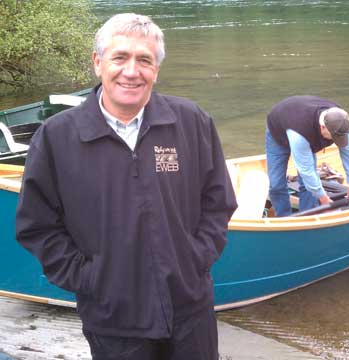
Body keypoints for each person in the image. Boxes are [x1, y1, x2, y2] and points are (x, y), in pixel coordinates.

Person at [16, 13, 237, 360]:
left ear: (156, 69)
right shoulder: (57, 137)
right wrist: (89, 279)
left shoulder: (191, 121)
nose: (131, 71)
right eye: (120, 57)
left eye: (144, 60)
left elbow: (218, 201)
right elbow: (37, 225)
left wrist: (195, 260)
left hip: (190, 311)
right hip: (112, 319)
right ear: (97, 62)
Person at [265, 95, 349, 216]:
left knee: (307, 186)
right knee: (276, 186)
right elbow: (307, 171)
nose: (337, 141)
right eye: (334, 138)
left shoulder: (341, 122)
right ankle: (284, 218)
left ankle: (307, 217)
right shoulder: (300, 136)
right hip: (278, 134)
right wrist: (324, 199)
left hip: (303, 128)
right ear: (322, 127)